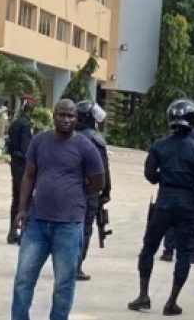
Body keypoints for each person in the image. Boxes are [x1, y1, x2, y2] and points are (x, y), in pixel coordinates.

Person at [11, 99, 105, 320]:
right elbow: (29, 175)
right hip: (37, 223)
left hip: (69, 226)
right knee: (23, 279)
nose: (66, 120)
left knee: (63, 283)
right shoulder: (39, 141)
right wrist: (22, 209)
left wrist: (77, 195)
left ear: (77, 119)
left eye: (71, 116)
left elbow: (99, 181)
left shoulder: (86, 147)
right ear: (53, 116)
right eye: (61, 115)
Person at [128, 99, 194, 316]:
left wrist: (160, 178)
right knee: (183, 253)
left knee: (149, 248)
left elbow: (149, 174)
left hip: (164, 199)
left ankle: (143, 295)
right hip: (186, 202)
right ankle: (171, 301)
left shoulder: (159, 145)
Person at [160, 122, 194, 264]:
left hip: (175, 184)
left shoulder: (171, 139)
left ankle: (168, 251)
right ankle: (193, 253)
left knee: (171, 217)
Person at [74, 100, 111, 281]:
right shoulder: (96, 139)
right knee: (85, 229)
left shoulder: (68, 136)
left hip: (70, 191)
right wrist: (106, 192)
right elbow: (103, 169)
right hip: (89, 192)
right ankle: (76, 266)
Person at [6, 95, 36, 244]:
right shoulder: (25, 124)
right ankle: (21, 232)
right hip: (22, 164)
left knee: (16, 198)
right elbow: (26, 148)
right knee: (24, 198)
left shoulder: (16, 122)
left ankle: (12, 231)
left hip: (15, 162)